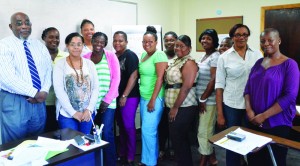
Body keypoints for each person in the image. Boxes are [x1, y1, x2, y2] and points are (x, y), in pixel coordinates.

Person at [244, 28, 299, 166]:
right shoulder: (258, 63)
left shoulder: (290, 65)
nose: (266, 43)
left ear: (279, 41)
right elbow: (247, 89)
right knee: (254, 159)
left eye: (270, 40)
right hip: (253, 120)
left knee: (274, 160)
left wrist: (264, 116)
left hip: (277, 122)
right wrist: (249, 111)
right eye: (263, 41)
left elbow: (290, 96)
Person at [0, 12, 52, 144]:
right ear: (11, 27)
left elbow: (48, 70)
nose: (24, 26)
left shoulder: (39, 45)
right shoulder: (4, 45)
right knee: (14, 145)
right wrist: (34, 93)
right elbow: (7, 77)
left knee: (36, 141)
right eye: (19, 23)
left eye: (27, 22)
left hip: (39, 102)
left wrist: (44, 91)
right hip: (15, 101)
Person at [215, 24, 262, 166]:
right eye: (238, 35)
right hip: (232, 105)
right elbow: (219, 86)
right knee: (233, 142)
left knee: (252, 141)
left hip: (253, 105)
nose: (241, 37)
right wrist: (220, 114)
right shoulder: (224, 57)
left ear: (248, 36)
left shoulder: (257, 54)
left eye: (245, 34)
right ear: (232, 37)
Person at [83, 32, 120, 166]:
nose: (99, 44)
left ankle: (110, 163)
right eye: (96, 41)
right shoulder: (85, 57)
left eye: (102, 42)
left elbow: (116, 79)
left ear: (105, 44)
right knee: (92, 133)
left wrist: (107, 99)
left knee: (106, 133)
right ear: (92, 41)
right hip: (91, 103)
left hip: (107, 102)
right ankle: (95, 162)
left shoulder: (110, 56)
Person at [53, 32, 99, 134]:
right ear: (67, 46)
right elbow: (59, 90)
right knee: (71, 145)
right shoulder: (60, 65)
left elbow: (95, 88)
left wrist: (89, 109)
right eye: (72, 44)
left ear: (83, 46)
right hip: (66, 114)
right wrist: (73, 113)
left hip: (87, 113)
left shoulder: (90, 64)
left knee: (86, 143)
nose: (76, 47)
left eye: (79, 44)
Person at [165, 35, 198, 166]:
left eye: (182, 46)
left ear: (189, 48)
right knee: (177, 139)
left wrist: (175, 108)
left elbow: (186, 87)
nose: (178, 48)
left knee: (179, 138)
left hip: (184, 106)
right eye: (176, 45)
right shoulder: (177, 60)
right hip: (174, 105)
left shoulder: (189, 62)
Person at [138, 26, 168, 166]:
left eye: (150, 41)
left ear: (156, 42)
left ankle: (150, 163)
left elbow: (160, 78)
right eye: (144, 42)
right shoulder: (144, 55)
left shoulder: (159, 55)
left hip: (154, 99)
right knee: (149, 132)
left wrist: (152, 100)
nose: (147, 44)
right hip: (144, 98)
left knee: (147, 131)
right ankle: (149, 159)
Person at [113, 31, 140, 166]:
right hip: (116, 97)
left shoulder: (130, 55)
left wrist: (124, 95)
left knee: (129, 126)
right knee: (121, 127)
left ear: (126, 42)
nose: (117, 43)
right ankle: (122, 152)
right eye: (115, 40)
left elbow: (134, 76)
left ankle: (130, 155)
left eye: (120, 40)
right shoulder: (113, 56)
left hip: (129, 97)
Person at [196, 29, 220, 166]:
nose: (205, 41)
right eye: (203, 38)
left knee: (204, 131)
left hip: (209, 101)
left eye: (209, 39)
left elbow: (214, 79)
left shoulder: (215, 56)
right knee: (206, 130)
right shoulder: (204, 56)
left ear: (214, 41)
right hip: (202, 100)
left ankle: (203, 161)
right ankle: (213, 159)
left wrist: (203, 98)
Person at [41, 27, 68, 132]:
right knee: (45, 132)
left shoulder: (66, 56)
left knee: (59, 132)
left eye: (57, 38)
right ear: (44, 38)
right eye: (51, 37)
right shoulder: (39, 55)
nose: (54, 40)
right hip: (43, 102)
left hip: (61, 102)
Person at [158, 31, 177, 161]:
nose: (169, 43)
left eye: (172, 40)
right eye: (166, 40)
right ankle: (162, 149)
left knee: (175, 125)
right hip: (162, 95)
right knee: (163, 124)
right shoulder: (160, 56)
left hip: (175, 96)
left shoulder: (180, 55)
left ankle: (174, 148)